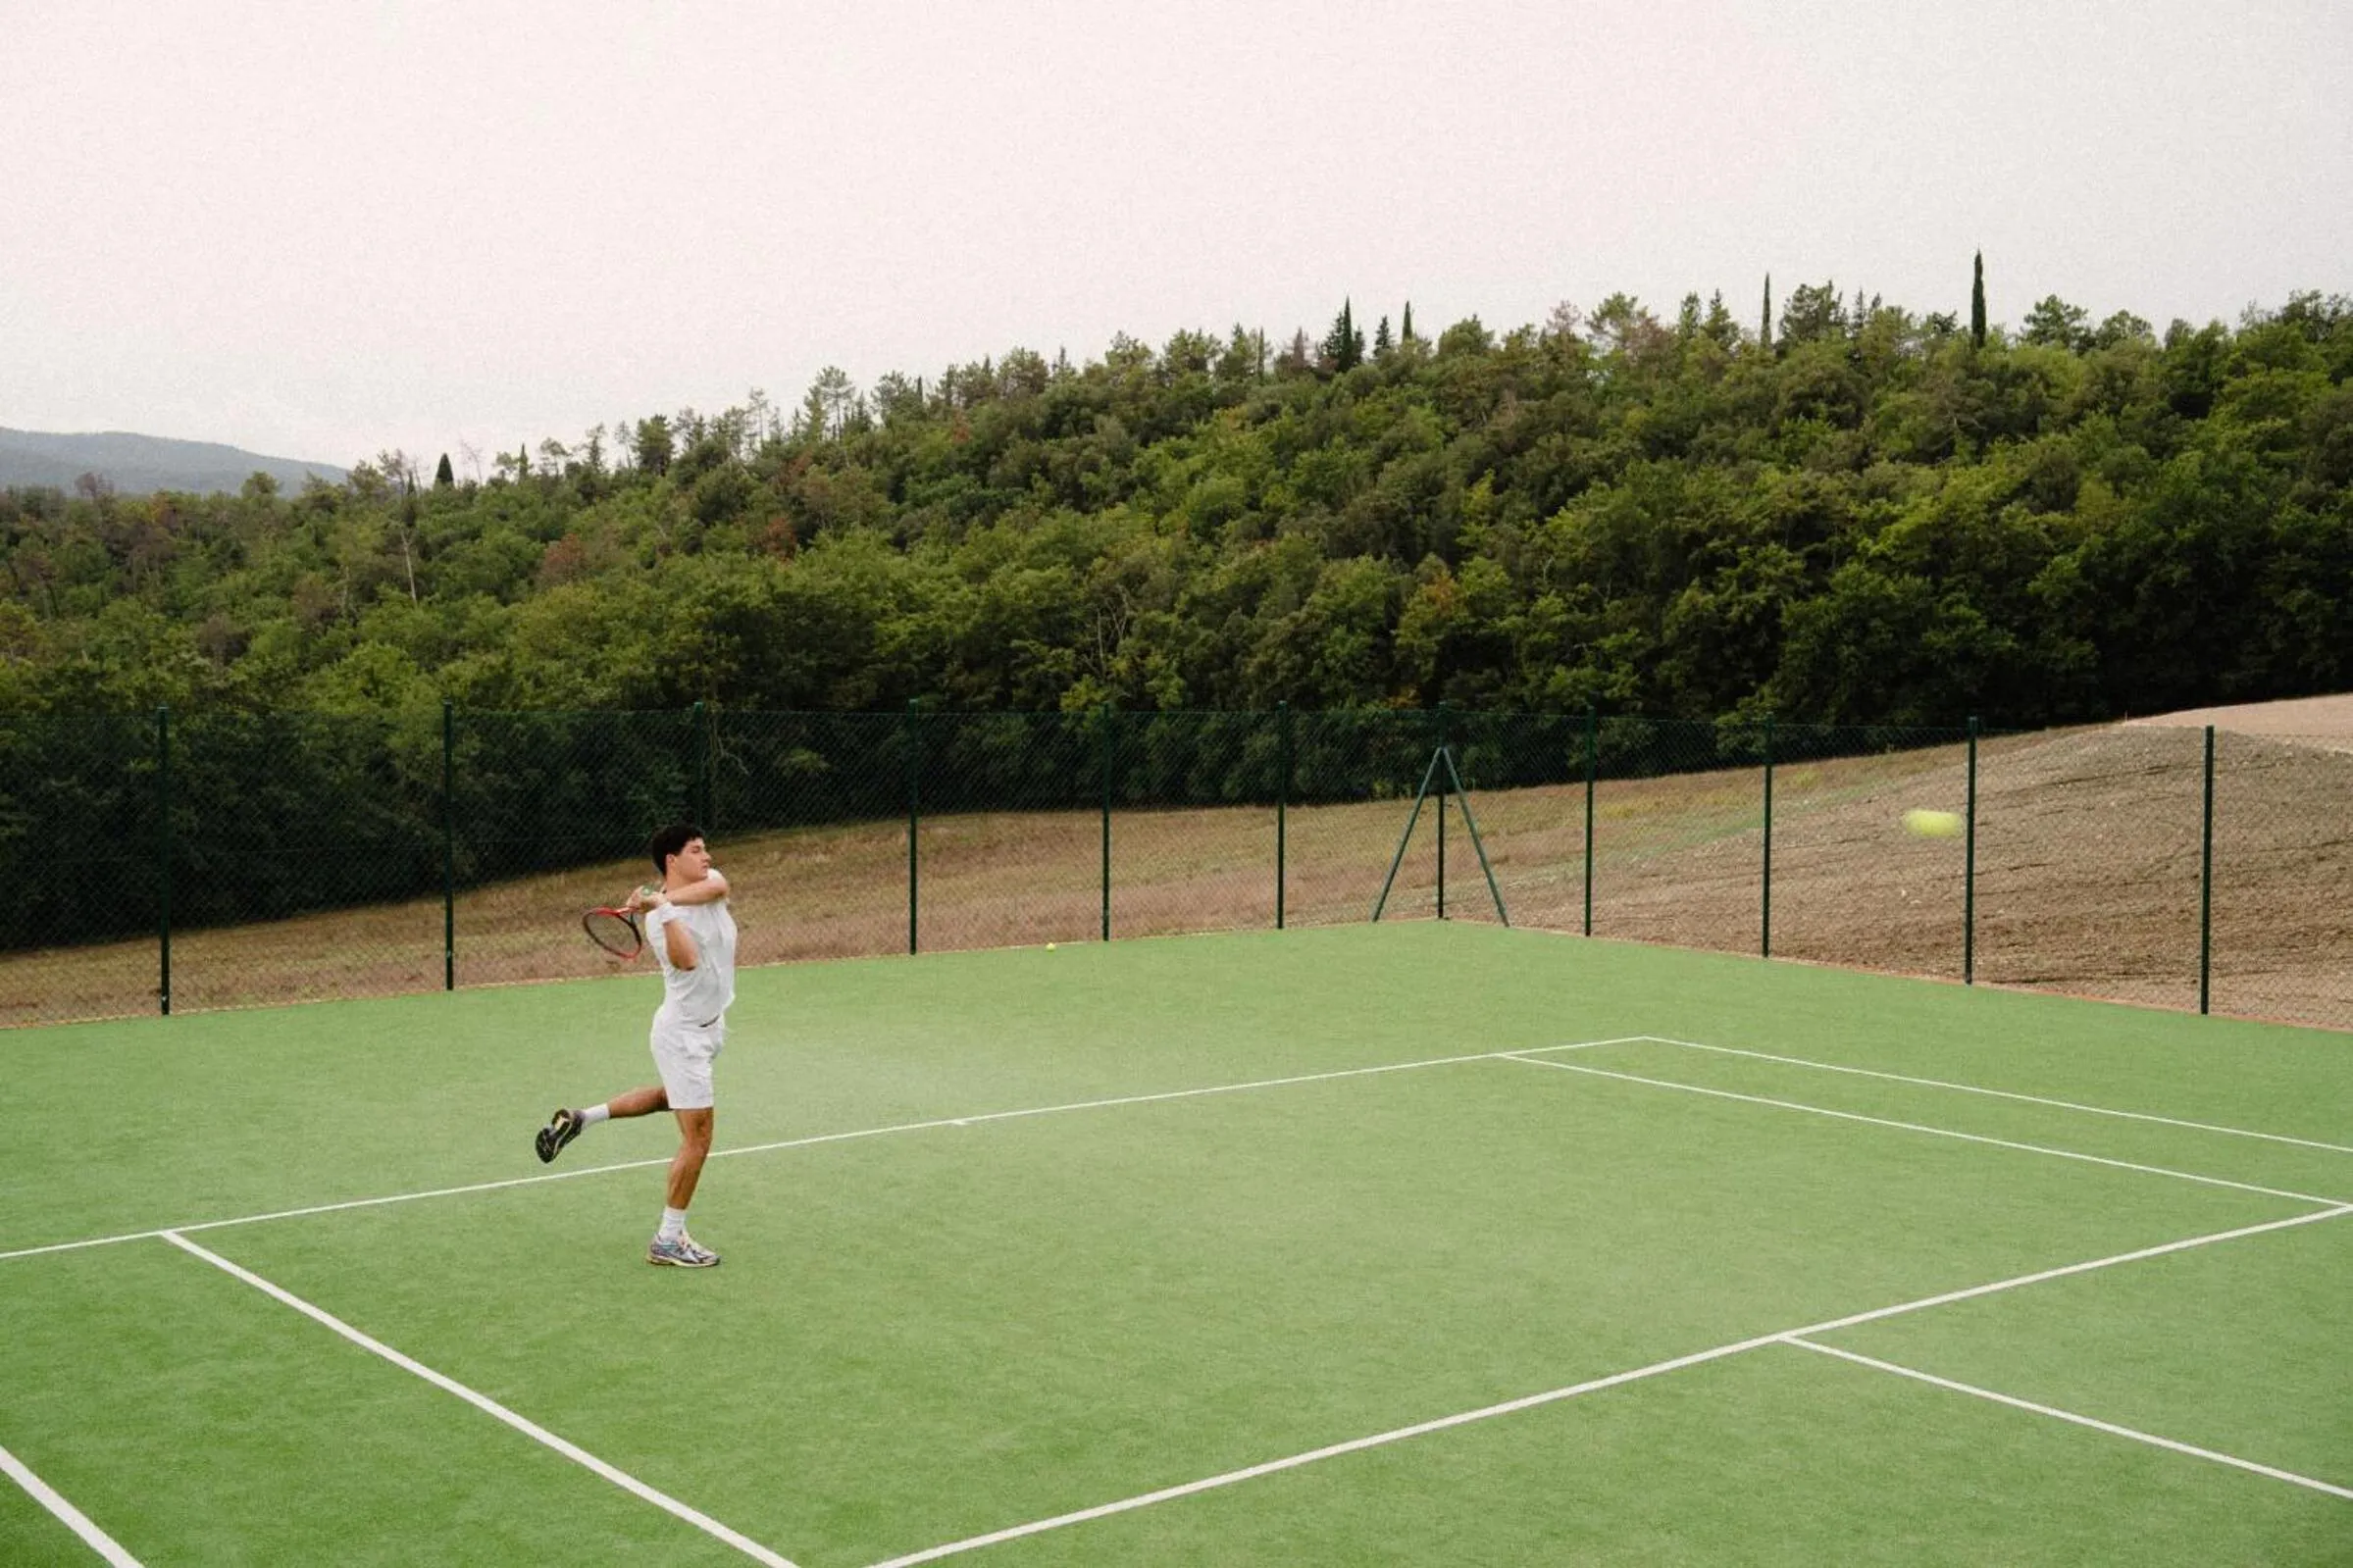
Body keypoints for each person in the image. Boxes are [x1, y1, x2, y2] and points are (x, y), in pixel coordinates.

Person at [534, 823, 739, 1267]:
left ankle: (583, 1119)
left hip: (710, 1029)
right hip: (682, 1035)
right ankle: (668, 1239)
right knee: (698, 1137)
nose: (707, 857)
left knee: (673, 1099)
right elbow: (689, 960)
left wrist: (661, 897)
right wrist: (662, 909)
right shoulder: (658, 923)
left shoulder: (711, 885)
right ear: (672, 860)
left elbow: (719, 884)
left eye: (706, 850)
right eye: (697, 851)